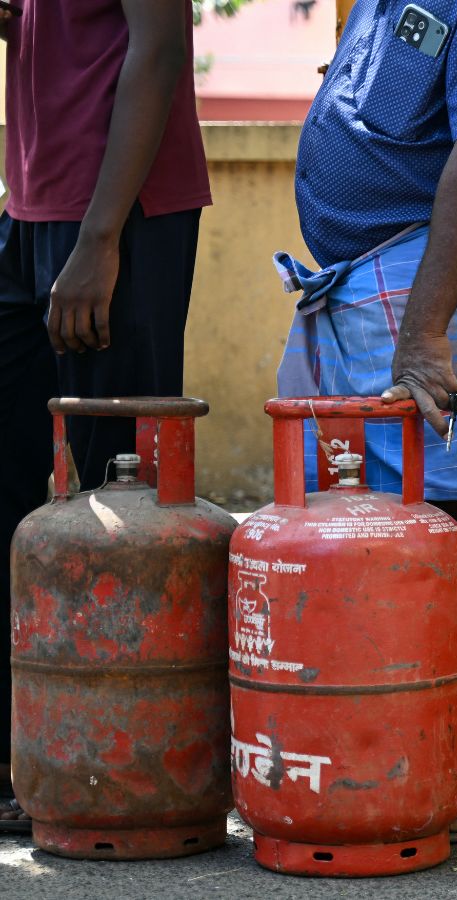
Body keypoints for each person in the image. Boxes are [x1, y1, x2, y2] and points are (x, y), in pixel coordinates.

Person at [273, 0, 457, 842]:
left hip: (448, 270)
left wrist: (425, 331)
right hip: (372, 271)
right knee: (366, 519)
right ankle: (387, 751)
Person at [0, 0, 210, 836]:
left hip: (121, 219)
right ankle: (32, 751)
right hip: (29, 210)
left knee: (118, 507)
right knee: (19, 494)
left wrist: (101, 239)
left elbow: (159, 48)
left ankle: (124, 763)